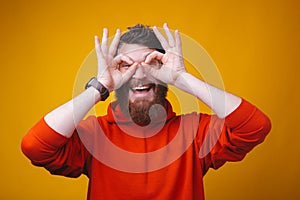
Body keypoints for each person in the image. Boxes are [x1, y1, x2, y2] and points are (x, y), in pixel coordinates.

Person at [21, 23, 271, 200]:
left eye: (151, 63)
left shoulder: (194, 132)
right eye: (126, 65)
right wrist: (100, 87)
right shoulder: (94, 134)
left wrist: (182, 78)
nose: (138, 73)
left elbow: (256, 126)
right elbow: (35, 147)